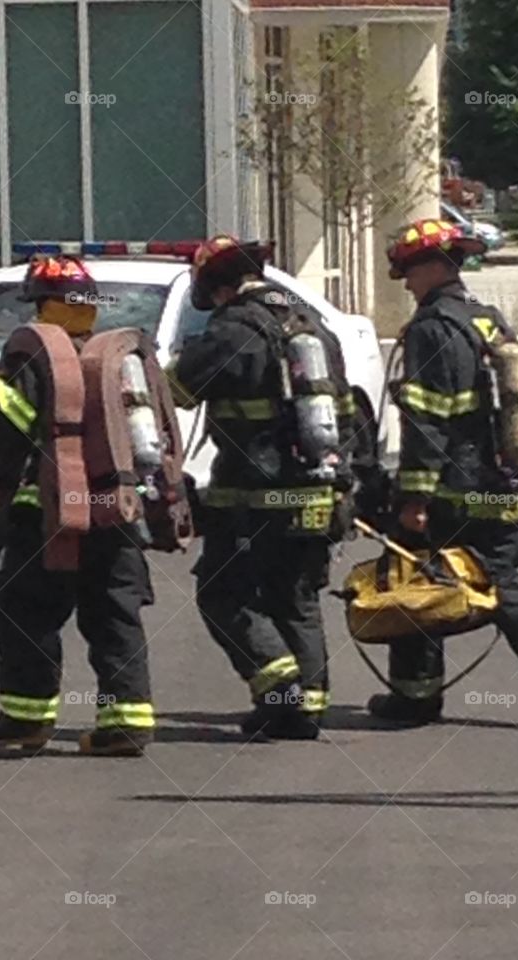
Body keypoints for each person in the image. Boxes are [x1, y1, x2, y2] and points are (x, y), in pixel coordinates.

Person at [370, 218, 518, 728]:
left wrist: (415, 499)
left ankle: (415, 698)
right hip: (499, 485)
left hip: (453, 487)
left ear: (431, 268)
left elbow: (426, 421)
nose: (406, 283)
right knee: (498, 577)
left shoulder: (432, 328)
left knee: (416, 574)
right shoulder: (487, 320)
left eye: (408, 272)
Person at [167, 235, 356, 739]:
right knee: (296, 598)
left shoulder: (234, 330)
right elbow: (349, 411)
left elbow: (177, 392)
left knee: (223, 593)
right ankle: (305, 711)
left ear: (214, 285)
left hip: (256, 496)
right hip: (318, 491)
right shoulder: (314, 329)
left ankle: (281, 688)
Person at [0, 256, 156, 756]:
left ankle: (25, 721)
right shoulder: (115, 357)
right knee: (115, 615)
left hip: (46, 513)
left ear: (43, 303)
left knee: (26, 614)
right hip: (115, 510)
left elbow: (12, 426)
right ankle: (126, 723)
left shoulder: (36, 354)